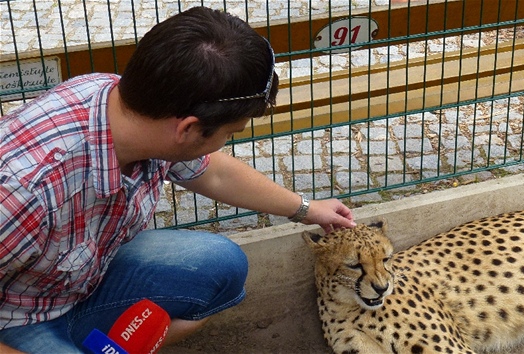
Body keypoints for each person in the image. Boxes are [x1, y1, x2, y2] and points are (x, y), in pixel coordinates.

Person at [0, 6, 355, 353]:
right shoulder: (23, 192)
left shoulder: (133, 107)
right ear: (187, 129)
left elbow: (213, 171)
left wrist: (307, 209)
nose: (225, 142)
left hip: (79, 281)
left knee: (221, 266)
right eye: (230, 133)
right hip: (18, 320)